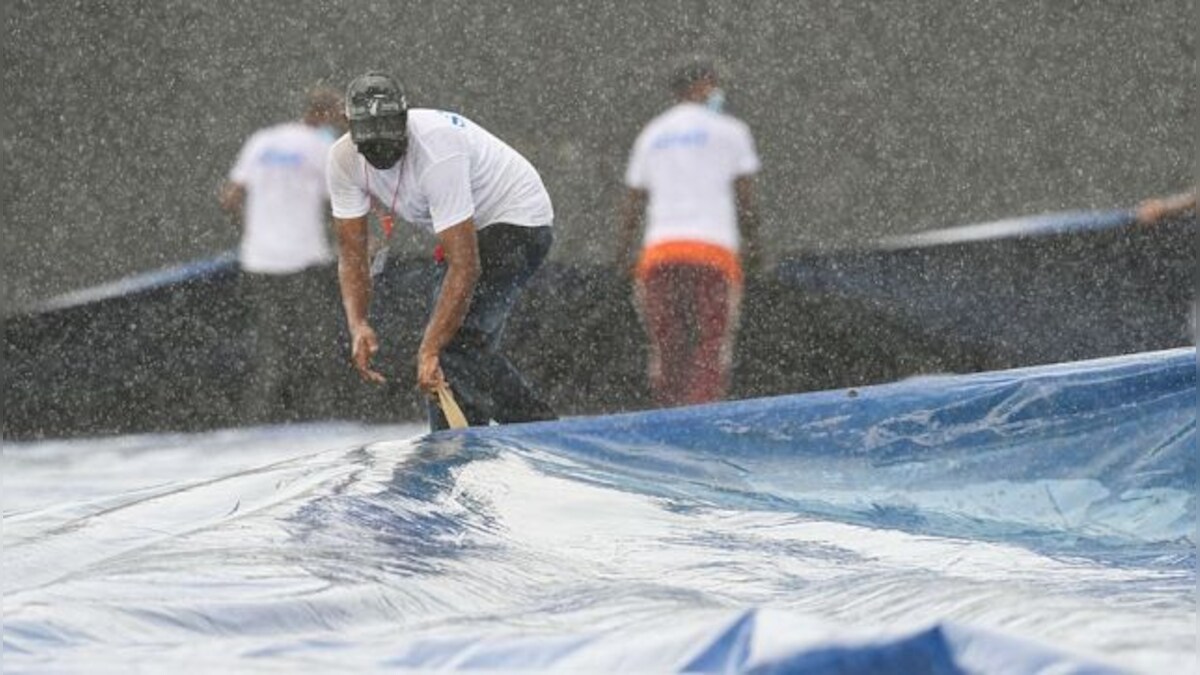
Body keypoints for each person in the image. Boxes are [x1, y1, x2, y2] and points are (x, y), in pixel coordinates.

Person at [327, 71, 557, 431]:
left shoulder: (436, 149)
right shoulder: (341, 160)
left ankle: (546, 432)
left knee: (451, 345)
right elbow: (353, 254)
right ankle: (460, 446)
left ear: (406, 119)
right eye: (371, 148)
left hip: (517, 220)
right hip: (471, 234)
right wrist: (357, 323)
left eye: (391, 143)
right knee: (447, 352)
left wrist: (431, 348)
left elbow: (465, 265)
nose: (383, 155)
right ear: (349, 127)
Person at [617, 57, 762, 407]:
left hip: (661, 254)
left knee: (667, 344)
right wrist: (755, 244)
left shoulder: (652, 134)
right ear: (702, 86)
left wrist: (622, 254)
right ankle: (703, 417)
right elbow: (746, 199)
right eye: (713, 85)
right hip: (714, 253)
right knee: (712, 344)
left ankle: (669, 416)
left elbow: (633, 202)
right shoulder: (731, 131)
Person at [219, 86, 346, 424]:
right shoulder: (324, 147)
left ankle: (260, 419)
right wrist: (353, 244)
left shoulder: (262, 140)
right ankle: (319, 417)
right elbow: (340, 205)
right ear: (325, 116)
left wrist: (252, 232)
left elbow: (230, 197)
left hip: (260, 259)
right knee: (316, 341)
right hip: (304, 257)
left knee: (272, 345)